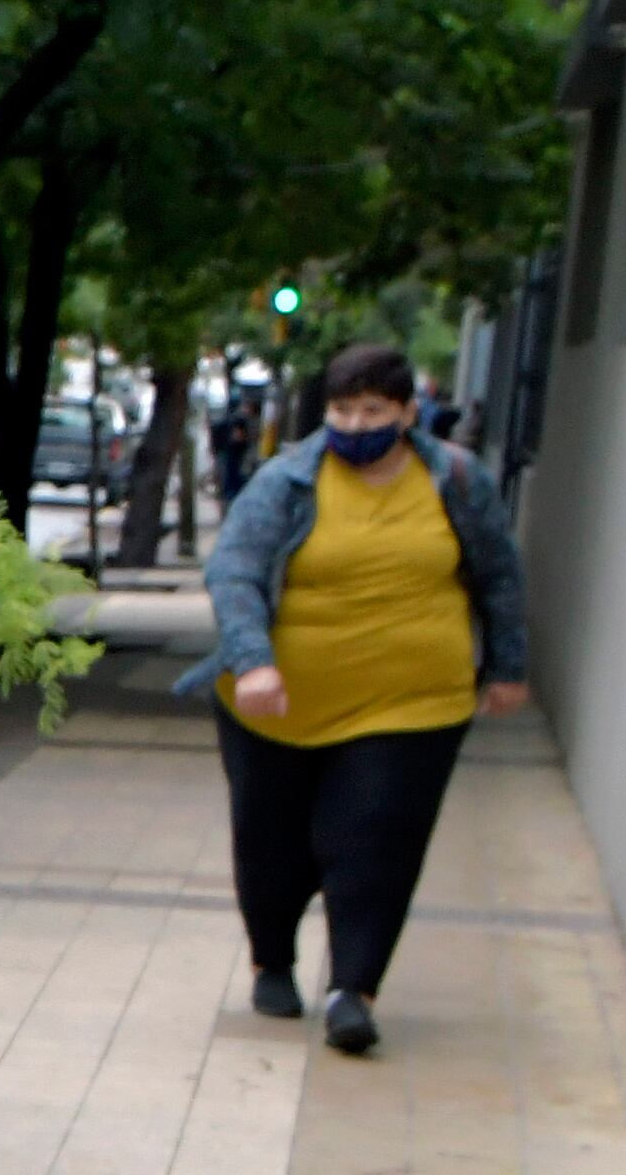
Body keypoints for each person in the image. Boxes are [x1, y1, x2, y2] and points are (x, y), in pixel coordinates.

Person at [182, 335, 533, 1055]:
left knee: (377, 836)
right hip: (277, 706)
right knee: (273, 844)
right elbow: (235, 571)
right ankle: (273, 956)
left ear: (407, 412)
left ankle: (354, 988)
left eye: (371, 408)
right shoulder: (287, 482)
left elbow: (499, 576)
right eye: (341, 409)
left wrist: (507, 665)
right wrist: (252, 661)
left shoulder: (458, 482)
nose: (353, 424)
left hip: (412, 704)